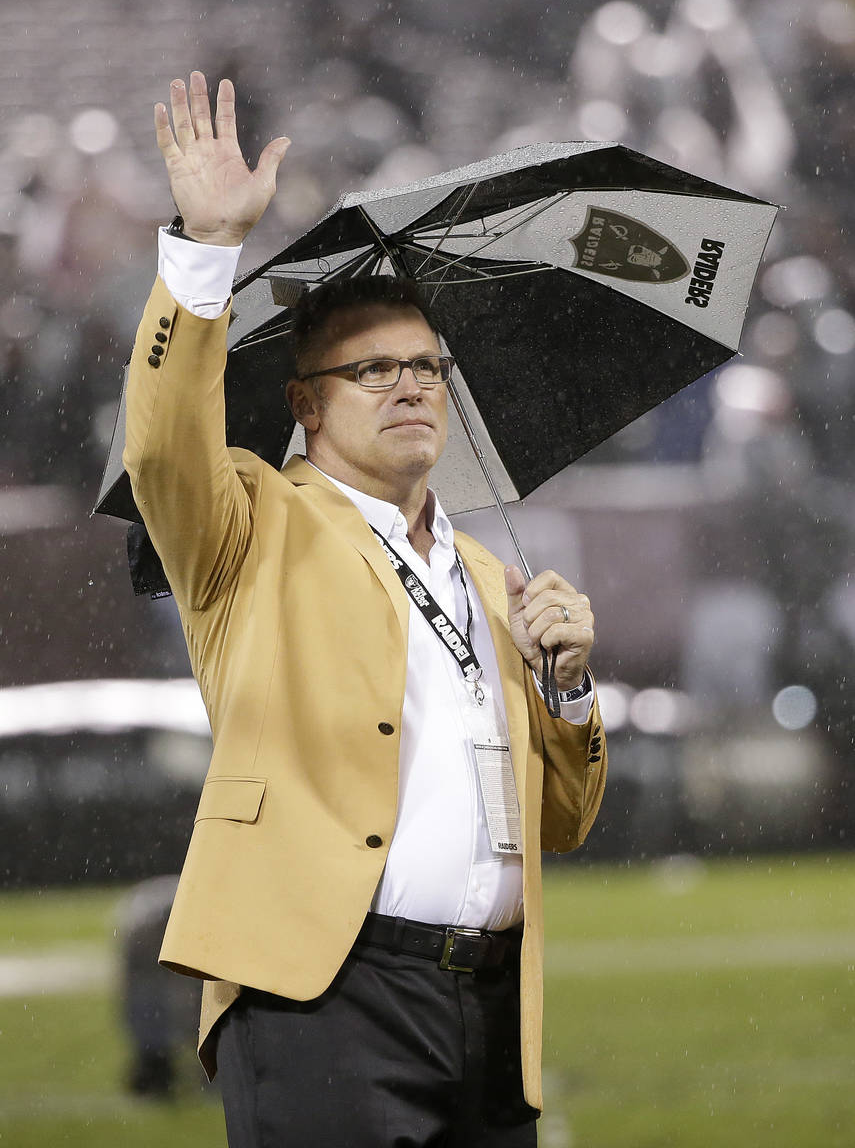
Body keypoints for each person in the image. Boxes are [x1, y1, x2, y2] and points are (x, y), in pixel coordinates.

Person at [123, 70, 607, 1147]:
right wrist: (205, 246)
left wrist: (568, 690)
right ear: (305, 404)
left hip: (489, 1009)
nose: (411, 387)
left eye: (429, 367)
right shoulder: (249, 523)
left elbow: (561, 822)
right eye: (374, 368)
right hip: (318, 996)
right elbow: (161, 445)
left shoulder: (490, 577)